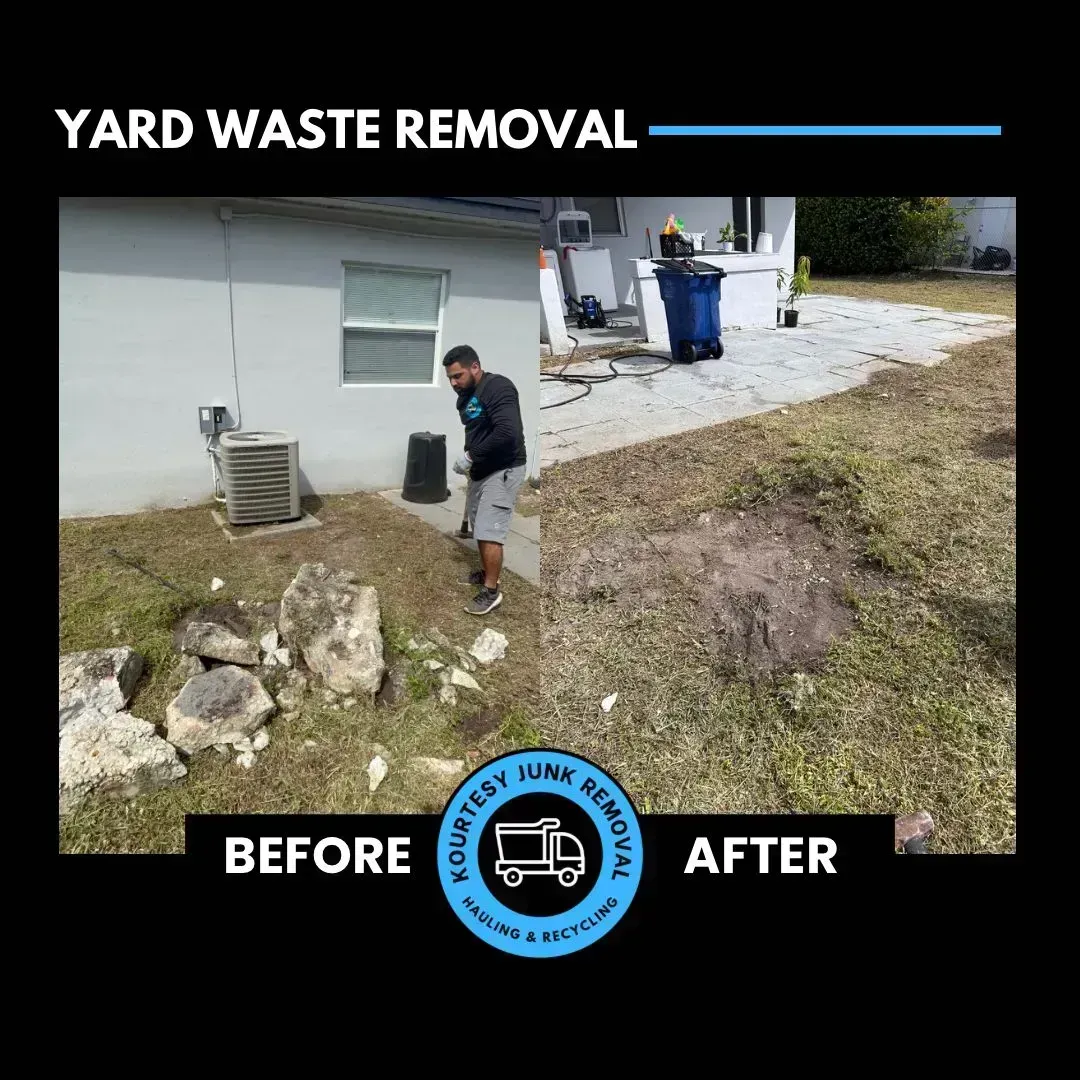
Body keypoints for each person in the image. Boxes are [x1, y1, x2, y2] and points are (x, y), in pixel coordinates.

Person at [443, 345, 527, 615]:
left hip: (503, 469)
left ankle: (491, 592)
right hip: (481, 470)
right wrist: (472, 461)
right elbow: (478, 430)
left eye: (458, 376)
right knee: (480, 527)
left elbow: (508, 432)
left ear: (475, 367)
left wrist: (471, 455)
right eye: (450, 378)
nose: (453, 383)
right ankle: (486, 572)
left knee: (489, 530)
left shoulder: (498, 388)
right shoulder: (467, 395)